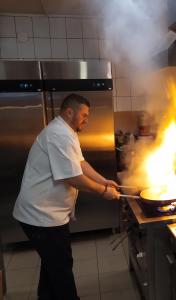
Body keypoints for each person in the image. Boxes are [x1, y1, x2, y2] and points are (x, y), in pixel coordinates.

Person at [13, 93, 120, 300]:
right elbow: (73, 178)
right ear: (70, 112)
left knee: (52, 265)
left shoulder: (66, 132)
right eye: (84, 115)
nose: (86, 120)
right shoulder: (58, 134)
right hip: (41, 216)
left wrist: (104, 181)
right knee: (61, 269)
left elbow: (80, 163)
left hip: (46, 215)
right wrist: (103, 192)